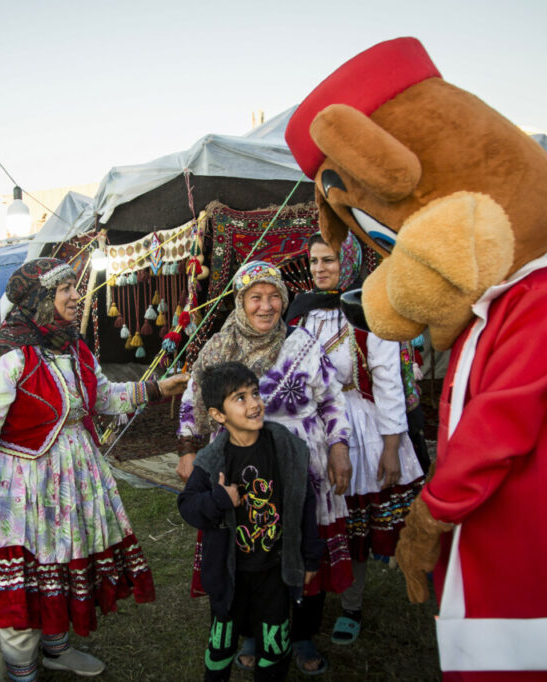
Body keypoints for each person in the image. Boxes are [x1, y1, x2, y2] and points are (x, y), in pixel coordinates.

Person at [0, 258, 188, 682]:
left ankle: (57, 649)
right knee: (24, 580)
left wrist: (156, 388)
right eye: (65, 289)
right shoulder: (9, 357)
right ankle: (22, 670)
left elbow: (103, 399)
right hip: (22, 484)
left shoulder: (72, 347)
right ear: (40, 299)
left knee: (62, 564)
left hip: (73, 481)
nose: (76, 296)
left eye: (73, 288)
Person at [176, 260, 351, 675]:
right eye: (256, 297)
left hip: (298, 463)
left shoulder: (303, 344)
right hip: (238, 463)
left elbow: (331, 399)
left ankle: (302, 634)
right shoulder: (219, 348)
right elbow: (193, 398)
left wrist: (340, 446)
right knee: (247, 550)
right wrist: (187, 448)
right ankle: (252, 633)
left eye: (274, 296)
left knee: (302, 545)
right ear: (240, 301)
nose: (266, 306)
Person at [285, 232, 425, 646]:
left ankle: (352, 604)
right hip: (311, 429)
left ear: (347, 261)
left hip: (358, 426)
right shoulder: (301, 313)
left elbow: (387, 385)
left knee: (353, 524)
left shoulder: (367, 310)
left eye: (328, 260)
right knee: (316, 520)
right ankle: (312, 595)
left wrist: (392, 447)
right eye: (313, 261)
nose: (319, 269)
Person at [178, 361, 323, 681]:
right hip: (230, 575)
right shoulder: (211, 460)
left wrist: (311, 555)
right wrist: (218, 499)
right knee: (222, 642)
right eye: (240, 398)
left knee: (275, 643)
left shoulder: (283, 448)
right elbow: (187, 506)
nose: (255, 403)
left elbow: (304, 501)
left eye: (255, 393)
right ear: (218, 415)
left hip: (274, 570)